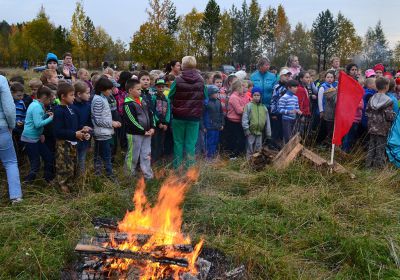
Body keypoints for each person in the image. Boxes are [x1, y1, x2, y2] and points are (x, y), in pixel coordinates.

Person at [168, 56, 207, 169]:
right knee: (191, 144)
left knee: (178, 143)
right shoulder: (201, 80)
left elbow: (170, 95)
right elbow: (205, 96)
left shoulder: (178, 79)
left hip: (179, 116)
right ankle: (190, 169)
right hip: (194, 117)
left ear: (183, 66)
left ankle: (177, 168)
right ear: (194, 65)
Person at [54, 82, 90, 192]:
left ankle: (71, 188)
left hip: (73, 144)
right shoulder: (59, 110)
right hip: (63, 145)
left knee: (72, 167)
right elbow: (58, 131)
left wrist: (83, 131)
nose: (74, 97)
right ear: (63, 97)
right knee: (64, 168)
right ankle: (64, 191)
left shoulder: (72, 109)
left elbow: (75, 126)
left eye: (74, 94)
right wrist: (74, 134)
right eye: (71, 95)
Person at [21, 86, 54, 183]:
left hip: (36, 138)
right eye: (50, 99)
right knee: (35, 163)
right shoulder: (37, 107)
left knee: (48, 157)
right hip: (30, 139)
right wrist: (50, 119)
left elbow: (36, 119)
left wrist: (45, 115)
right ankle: (28, 182)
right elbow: (37, 124)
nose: (51, 101)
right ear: (44, 98)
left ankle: (48, 179)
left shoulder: (36, 104)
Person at [123, 78, 155, 179]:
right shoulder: (128, 104)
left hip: (147, 134)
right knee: (133, 156)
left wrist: (152, 127)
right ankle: (129, 175)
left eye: (140, 89)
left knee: (146, 155)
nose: (140, 91)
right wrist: (142, 131)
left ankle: (148, 176)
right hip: (135, 134)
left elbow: (151, 114)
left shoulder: (143, 101)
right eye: (138, 89)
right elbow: (131, 120)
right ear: (130, 91)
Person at [91, 77, 121, 179]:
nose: (111, 91)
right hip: (101, 133)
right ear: (102, 89)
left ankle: (103, 173)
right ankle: (108, 174)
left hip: (105, 132)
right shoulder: (98, 100)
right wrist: (112, 123)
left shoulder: (103, 98)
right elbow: (98, 120)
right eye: (109, 89)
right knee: (103, 155)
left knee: (104, 154)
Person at [0, 75, 23, 203]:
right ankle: (16, 197)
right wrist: (11, 125)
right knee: (10, 162)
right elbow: (9, 108)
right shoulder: (1, 80)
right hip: (2, 127)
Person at [366, 77, 395, 168]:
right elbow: (389, 116)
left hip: (372, 127)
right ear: (386, 87)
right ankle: (378, 168)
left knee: (371, 147)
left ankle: (368, 166)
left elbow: (367, 112)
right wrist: (394, 115)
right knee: (380, 148)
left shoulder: (371, 98)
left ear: (376, 86)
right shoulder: (388, 101)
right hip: (382, 129)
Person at [242, 87, 271, 158]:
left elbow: (267, 121)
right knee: (250, 148)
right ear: (252, 96)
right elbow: (244, 118)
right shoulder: (248, 106)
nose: (256, 97)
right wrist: (246, 129)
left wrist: (268, 133)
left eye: (258, 95)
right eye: (255, 95)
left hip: (260, 132)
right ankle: (248, 163)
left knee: (258, 149)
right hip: (250, 132)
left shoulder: (264, 107)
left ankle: (256, 164)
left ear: (260, 96)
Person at [225, 79, 249, 159]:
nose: (244, 88)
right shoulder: (234, 97)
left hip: (240, 121)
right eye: (242, 86)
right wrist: (247, 108)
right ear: (238, 87)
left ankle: (238, 155)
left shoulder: (240, 96)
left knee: (240, 139)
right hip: (233, 122)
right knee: (235, 140)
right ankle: (232, 156)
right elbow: (239, 111)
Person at [72, 81, 92, 174]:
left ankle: (81, 179)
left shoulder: (87, 105)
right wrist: (82, 128)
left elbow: (89, 121)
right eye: (87, 93)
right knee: (72, 160)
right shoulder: (71, 106)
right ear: (79, 94)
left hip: (85, 137)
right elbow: (73, 123)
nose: (89, 95)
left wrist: (89, 132)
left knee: (82, 159)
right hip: (74, 137)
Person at [270, 68, 291, 148]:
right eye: (285, 75)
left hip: (286, 113)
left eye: (288, 76)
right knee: (276, 129)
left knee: (285, 130)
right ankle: (273, 145)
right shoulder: (277, 87)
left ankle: (284, 145)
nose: (287, 77)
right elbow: (273, 100)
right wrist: (273, 113)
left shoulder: (290, 87)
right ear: (281, 76)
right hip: (277, 113)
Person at [151, 79, 170, 162]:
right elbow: (152, 111)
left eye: (162, 87)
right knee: (155, 141)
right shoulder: (153, 98)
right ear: (156, 87)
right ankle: (154, 159)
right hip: (156, 124)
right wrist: (158, 122)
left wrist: (166, 123)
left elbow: (168, 111)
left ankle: (159, 158)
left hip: (164, 124)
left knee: (162, 141)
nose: (161, 88)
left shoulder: (166, 99)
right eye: (159, 87)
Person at [203, 85, 224, 159]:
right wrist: (203, 126)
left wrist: (222, 124)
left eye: (217, 93)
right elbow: (201, 116)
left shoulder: (218, 101)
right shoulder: (205, 102)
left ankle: (213, 156)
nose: (217, 94)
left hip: (217, 126)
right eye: (215, 93)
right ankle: (208, 158)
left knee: (215, 142)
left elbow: (221, 113)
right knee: (209, 142)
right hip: (209, 127)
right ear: (210, 93)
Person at [10, 82, 27, 158]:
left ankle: (21, 151)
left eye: (22, 95)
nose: (21, 97)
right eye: (19, 95)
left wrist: (23, 121)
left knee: (23, 139)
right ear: (12, 93)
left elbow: (24, 114)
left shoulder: (21, 103)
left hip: (19, 126)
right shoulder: (8, 103)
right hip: (10, 127)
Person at [295, 71, 312, 139]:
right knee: (300, 134)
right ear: (301, 79)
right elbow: (299, 104)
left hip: (306, 113)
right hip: (302, 115)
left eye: (309, 77)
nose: (309, 79)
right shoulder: (300, 89)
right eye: (306, 77)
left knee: (303, 134)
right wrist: (301, 115)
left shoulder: (305, 87)